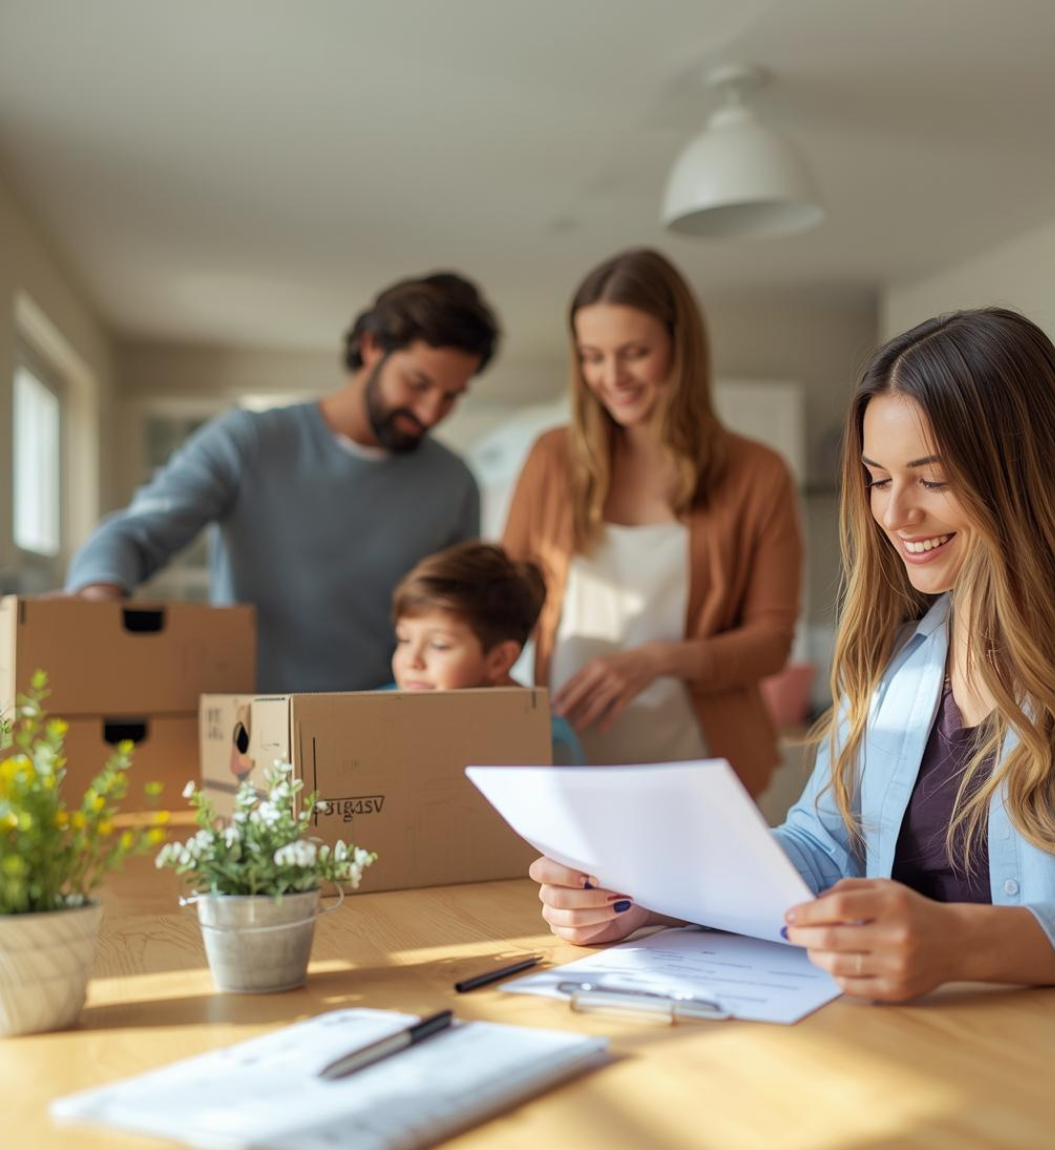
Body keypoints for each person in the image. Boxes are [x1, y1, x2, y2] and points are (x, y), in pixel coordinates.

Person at [528, 307, 1055, 1010]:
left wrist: (960, 944)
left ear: (1023, 472)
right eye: (878, 478)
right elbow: (821, 847)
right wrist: (653, 893)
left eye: (932, 479)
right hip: (920, 1037)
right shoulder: (901, 651)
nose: (893, 513)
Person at [65, 273, 500, 693]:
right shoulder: (249, 442)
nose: (430, 412)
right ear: (372, 347)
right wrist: (97, 596)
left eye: (451, 396)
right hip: (251, 718)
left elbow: (464, 616)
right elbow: (136, 533)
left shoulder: (454, 482)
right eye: (418, 383)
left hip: (385, 720)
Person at [502, 248, 801, 797]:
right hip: (566, 764)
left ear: (680, 348)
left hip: (700, 769)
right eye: (592, 357)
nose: (612, 377)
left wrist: (658, 660)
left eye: (635, 353)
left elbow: (771, 642)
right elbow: (502, 605)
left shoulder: (757, 473)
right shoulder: (551, 458)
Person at [389, 542, 583, 765]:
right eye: (404, 639)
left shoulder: (546, 740)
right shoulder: (373, 710)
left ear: (499, 660)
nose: (412, 661)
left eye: (439, 645)